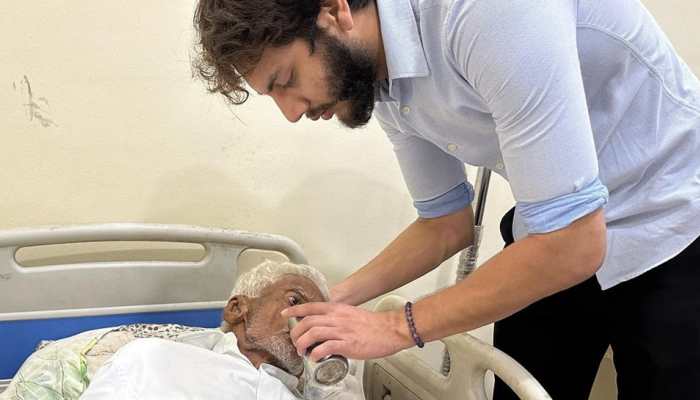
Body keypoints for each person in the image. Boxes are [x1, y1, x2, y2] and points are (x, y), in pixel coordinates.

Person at [191, 0, 700, 398]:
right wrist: (332, 299)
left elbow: (573, 243)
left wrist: (395, 327)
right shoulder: (377, 76)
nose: (290, 113)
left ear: (333, 11)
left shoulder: (486, 12)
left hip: (671, 222)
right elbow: (445, 222)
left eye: (286, 81)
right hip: (554, 233)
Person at [3, 261, 361, 400]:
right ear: (237, 308)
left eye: (319, 316)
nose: (307, 320)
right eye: (295, 300)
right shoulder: (151, 358)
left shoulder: (316, 389)